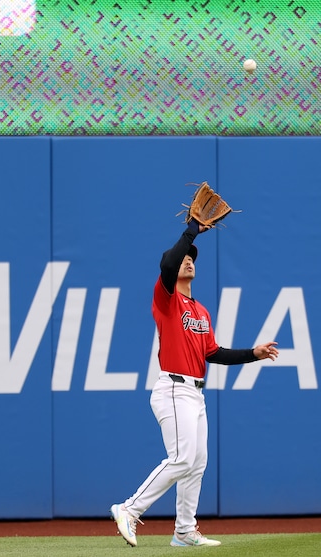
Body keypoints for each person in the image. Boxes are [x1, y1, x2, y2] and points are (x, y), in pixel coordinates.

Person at [110, 218, 279, 548]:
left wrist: (253, 354)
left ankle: (184, 531)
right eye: (185, 256)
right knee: (183, 459)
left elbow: (213, 352)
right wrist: (191, 231)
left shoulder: (200, 310)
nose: (189, 259)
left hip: (195, 393)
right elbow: (170, 261)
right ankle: (129, 509)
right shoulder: (166, 299)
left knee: (196, 464)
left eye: (193, 257)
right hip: (173, 389)